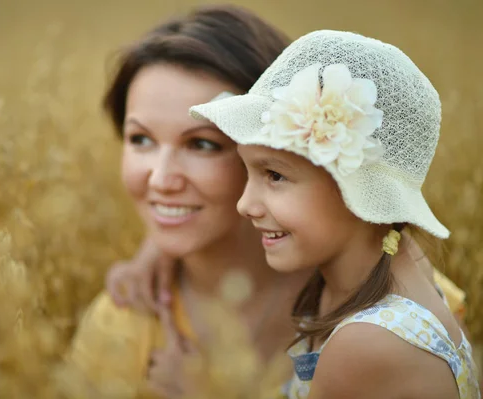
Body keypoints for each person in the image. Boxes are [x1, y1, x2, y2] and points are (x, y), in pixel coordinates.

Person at [188, 29, 480, 398]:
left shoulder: (366, 344)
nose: (245, 205)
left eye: (274, 175)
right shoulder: (400, 258)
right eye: (248, 172)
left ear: (353, 189)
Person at [68, 5, 311, 399]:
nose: (161, 179)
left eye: (201, 144)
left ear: (274, 154)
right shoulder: (123, 321)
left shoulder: (377, 305)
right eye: (140, 139)